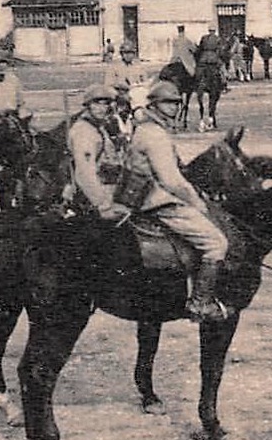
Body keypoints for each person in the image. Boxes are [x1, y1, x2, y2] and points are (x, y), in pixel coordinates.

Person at [117, 80, 229, 323]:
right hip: (156, 200)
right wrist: (197, 202)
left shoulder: (147, 129)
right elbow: (171, 181)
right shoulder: (154, 135)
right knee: (216, 243)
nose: (174, 107)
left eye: (177, 103)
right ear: (154, 105)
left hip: (143, 196)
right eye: (168, 103)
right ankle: (201, 302)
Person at [67, 84, 130, 221]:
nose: (101, 108)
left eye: (105, 104)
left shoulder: (97, 127)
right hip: (92, 201)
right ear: (88, 105)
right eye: (96, 104)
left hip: (106, 192)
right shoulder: (84, 132)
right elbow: (85, 174)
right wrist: (103, 206)